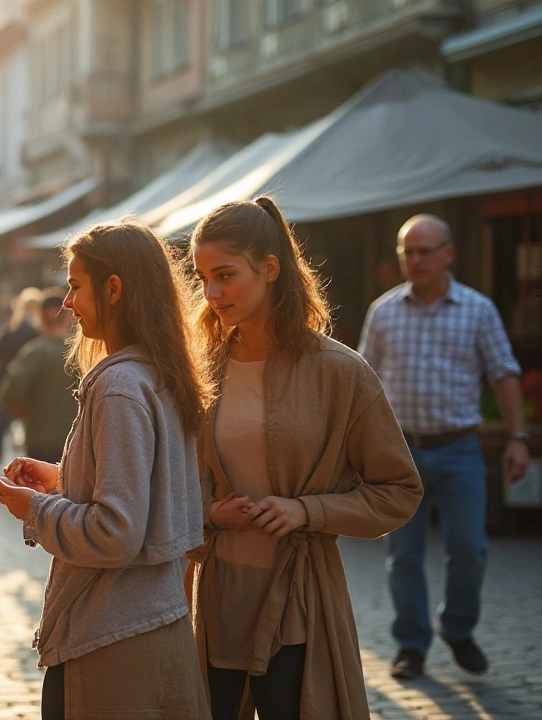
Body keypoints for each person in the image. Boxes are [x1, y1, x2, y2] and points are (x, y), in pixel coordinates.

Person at [188, 197, 422, 719]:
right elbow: (179, 478)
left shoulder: (340, 371)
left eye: (225, 275)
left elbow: (399, 490)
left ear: (269, 269)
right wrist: (208, 513)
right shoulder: (201, 370)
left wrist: (307, 510)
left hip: (299, 603)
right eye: (204, 278)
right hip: (217, 602)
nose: (212, 293)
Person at [0, 220, 210, 718]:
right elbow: (145, 492)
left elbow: (117, 532)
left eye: (74, 286)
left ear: (113, 289)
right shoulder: (161, 371)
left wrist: (36, 509)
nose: (66, 303)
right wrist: (64, 480)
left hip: (113, 636)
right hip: (157, 622)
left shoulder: (120, 387)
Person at [359, 213, 530, 680]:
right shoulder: (384, 311)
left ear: (448, 253)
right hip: (399, 455)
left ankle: (457, 627)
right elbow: (362, 382)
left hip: (459, 452)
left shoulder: (478, 309)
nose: (414, 260)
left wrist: (518, 438)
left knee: (470, 549)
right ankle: (411, 644)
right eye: (406, 252)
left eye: (424, 250)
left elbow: (503, 373)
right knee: (404, 555)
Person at [0, 289, 74, 464]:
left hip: (41, 440)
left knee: (42, 490)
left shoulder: (34, 352)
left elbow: (11, 392)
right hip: (79, 440)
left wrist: (18, 410)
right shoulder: (81, 353)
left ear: (40, 317)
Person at [0, 288, 42, 463]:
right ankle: (30, 463)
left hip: (7, 386)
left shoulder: (9, 332)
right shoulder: (39, 334)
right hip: (34, 391)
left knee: (0, 427)